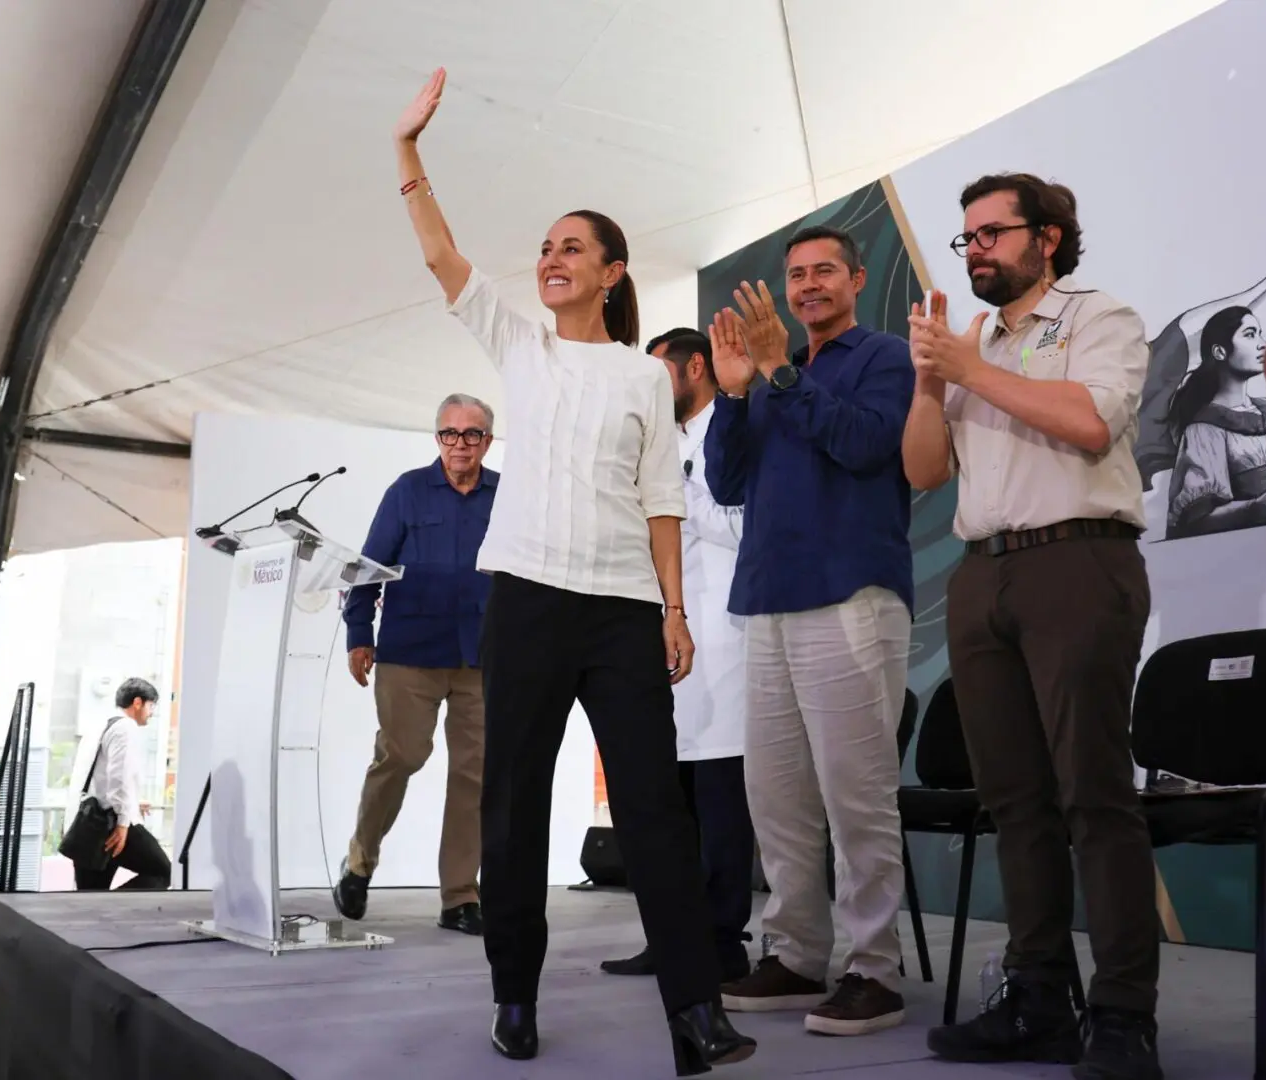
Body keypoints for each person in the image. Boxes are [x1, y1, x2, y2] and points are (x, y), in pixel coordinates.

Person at [392, 68, 754, 1075]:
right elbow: (439, 256)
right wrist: (409, 153)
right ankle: (515, 993)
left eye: (570, 248)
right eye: (546, 248)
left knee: (654, 812)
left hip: (625, 612)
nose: (550, 259)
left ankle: (696, 1014)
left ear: (611, 271)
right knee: (511, 804)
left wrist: (675, 608)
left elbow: (663, 502)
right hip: (527, 602)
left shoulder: (645, 374)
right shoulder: (518, 346)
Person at [901, 172, 1162, 1080]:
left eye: (992, 233)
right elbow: (925, 469)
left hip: (1078, 562)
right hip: (985, 577)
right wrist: (934, 381)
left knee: (1093, 794)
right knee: (1014, 803)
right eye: (965, 237)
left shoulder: (1099, 315)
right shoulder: (970, 342)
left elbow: (1094, 423)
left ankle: (1126, 1017)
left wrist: (973, 369)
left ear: (1046, 238)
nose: (974, 250)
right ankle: (1040, 999)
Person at [703, 225, 915, 1037]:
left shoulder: (883, 357)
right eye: (796, 276)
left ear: (857, 280)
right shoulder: (765, 376)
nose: (808, 285)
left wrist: (780, 372)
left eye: (824, 270)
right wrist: (731, 392)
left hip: (850, 594)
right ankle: (795, 955)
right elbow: (726, 481)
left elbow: (867, 447)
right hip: (766, 600)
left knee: (856, 796)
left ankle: (875, 970)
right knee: (778, 799)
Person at [602, 327, 755, 984]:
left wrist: (676, 496)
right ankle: (671, 935)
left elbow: (743, 523)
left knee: (720, 808)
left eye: (658, 372)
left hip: (725, 638)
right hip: (660, 638)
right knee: (669, 806)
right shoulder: (653, 443)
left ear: (697, 367)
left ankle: (722, 942)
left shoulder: (736, 428)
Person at [331, 393, 498, 935]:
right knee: (401, 755)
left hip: (482, 656)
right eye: (450, 434)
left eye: (471, 435)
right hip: (410, 652)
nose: (460, 445)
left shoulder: (507, 496)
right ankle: (360, 860)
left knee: (474, 777)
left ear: (487, 442)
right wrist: (360, 633)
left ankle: (459, 896)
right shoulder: (406, 491)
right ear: (438, 440)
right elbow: (368, 565)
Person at [1164, 306, 1266, 538]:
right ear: (1219, 352)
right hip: (1237, 555)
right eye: (1249, 334)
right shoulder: (1204, 428)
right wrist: (1256, 507)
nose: (1262, 343)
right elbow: (1195, 520)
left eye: (1260, 333)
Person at [69, 678, 172, 891]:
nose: (151, 712)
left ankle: (106, 911)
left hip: (86, 823)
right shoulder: (125, 728)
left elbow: (98, 779)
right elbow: (119, 778)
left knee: (90, 895)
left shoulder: (101, 724)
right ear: (137, 702)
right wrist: (124, 821)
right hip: (112, 824)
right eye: (151, 706)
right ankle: (114, 909)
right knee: (163, 871)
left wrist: (132, 802)